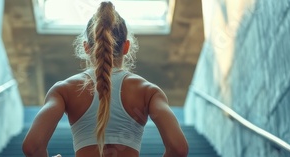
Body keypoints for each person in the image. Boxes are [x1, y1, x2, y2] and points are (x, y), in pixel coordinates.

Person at [22, 2, 188, 157]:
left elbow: (32, 146)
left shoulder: (64, 89)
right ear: (126, 46)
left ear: (87, 47)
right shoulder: (149, 91)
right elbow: (178, 148)